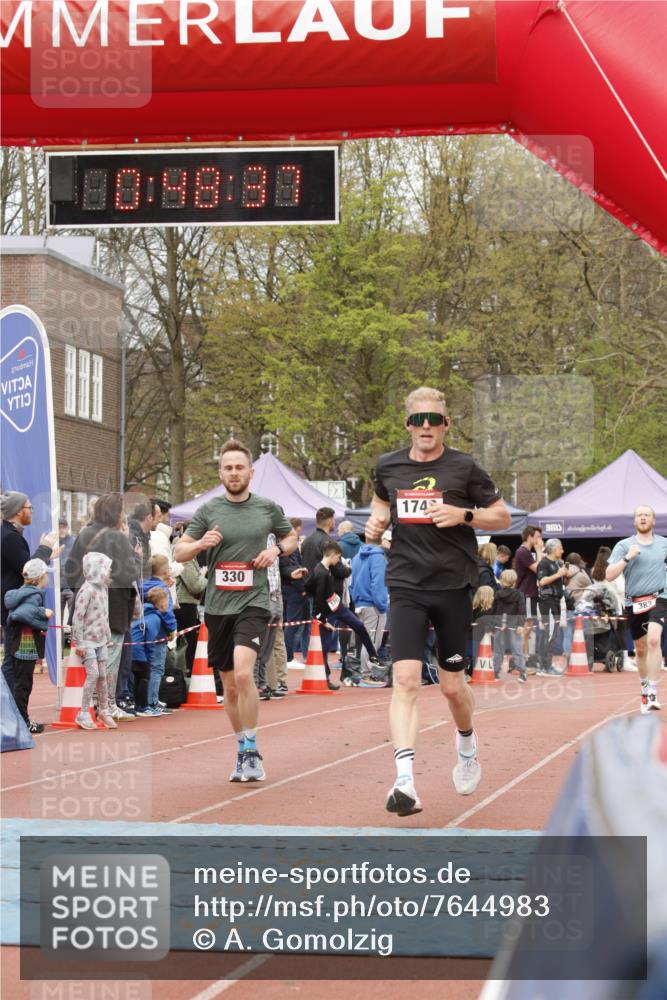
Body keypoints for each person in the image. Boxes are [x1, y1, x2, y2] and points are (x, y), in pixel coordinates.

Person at [365, 385, 511, 816]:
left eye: (434, 420)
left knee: (451, 686)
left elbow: (502, 516)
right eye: (418, 420)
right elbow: (379, 506)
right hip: (406, 583)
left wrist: (465, 515)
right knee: (406, 680)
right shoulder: (387, 465)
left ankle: (466, 742)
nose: (425, 427)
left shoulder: (464, 467)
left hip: (452, 585)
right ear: (408, 424)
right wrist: (375, 526)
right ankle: (405, 781)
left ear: (445, 424)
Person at [174, 439, 297, 783]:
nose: (233, 473)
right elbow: (180, 553)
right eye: (227, 468)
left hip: (254, 600)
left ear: (250, 472)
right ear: (221, 473)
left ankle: (254, 748)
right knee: (228, 686)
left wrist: (276, 552)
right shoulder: (209, 511)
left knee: (244, 674)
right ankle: (242, 748)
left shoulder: (267, 508)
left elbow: (290, 540)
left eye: (239, 467)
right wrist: (199, 544)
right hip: (217, 606)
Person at [65, 493, 140, 722]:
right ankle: (107, 704)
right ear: (117, 514)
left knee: (91, 659)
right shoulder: (118, 538)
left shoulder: (84, 534)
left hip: (87, 606)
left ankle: (91, 705)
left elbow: (70, 571)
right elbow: (129, 574)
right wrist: (135, 556)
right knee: (109, 659)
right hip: (113, 607)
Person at [607, 506, 667, 713]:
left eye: (647, 515)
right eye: (639, 515)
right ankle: (644, 690)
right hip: (635, 602)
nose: (643, 517)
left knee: (653, 640)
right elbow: (609, 575)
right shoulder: (624, 546)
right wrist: (628, 558)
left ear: (653, 520)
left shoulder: (664, 544)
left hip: (660, 598)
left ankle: (652, 691)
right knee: (641, 650)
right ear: (634, 521)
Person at [1, 491, 56, 695]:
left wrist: (47, 555)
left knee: (12, 663)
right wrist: (45, 548)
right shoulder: (10, 538)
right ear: (17, 511)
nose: (31, 511)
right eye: (29, 507)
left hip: (15, 607)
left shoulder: (10, 535)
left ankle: (12, 714)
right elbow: (27, 570)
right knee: (14, 666)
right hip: (16, 609)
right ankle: (14, 714)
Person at [309, 540, 381, 688]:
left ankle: (373, 655)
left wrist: (305, 589)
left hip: (337, 605)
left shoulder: (326, 568)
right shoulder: (322, 572)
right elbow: (317, 600)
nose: (339, 562)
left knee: (359, 625)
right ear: (334, 555)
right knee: (324, 645)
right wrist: (322, 620)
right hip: (327, 612)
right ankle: (325, 679)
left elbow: (309, 584)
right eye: (338, 558)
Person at [3, 558, 53, 734]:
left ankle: (19, 719)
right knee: (23, 686)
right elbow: (19, 615)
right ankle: (22, 722)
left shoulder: (22, 592)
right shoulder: (34, 594)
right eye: (46, 574)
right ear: (40, 577)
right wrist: (43, 613)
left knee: (19, 685)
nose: (48, 577)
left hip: (18, 643)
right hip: (26, 646)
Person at [70, 552, 117, 731]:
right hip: (88, 641)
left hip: (101, 640)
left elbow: (104, 615)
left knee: (104, 676)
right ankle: (83, 712)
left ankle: (104, 710)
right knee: (93, 674)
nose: (109, 571)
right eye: (107, 568)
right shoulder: (86, 590)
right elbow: (78, 616)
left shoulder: (103, 589)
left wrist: (108, 635)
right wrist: (79, 642)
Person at [130, 586, 176, 716]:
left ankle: (139, 704)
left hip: (134, 649)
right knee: (145, 677)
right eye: (167, 601)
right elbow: (150, 640)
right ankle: (145, 706)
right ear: (162, 603)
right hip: (140, 651)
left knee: (138, 677)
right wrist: (149, 658)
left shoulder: (145, 612)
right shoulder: (155, 618)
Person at [350, 539, 389, 678]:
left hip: (361, 603)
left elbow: (352, 582)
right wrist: (382, 605)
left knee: (367, 640)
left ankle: (365, 673)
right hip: (373, 605)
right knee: (372, 642)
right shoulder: (378, 558)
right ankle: (367, 674)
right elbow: (378, 583)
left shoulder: (356, 557)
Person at [280, 517, 310, 667]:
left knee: (289, 624)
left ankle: (288, 656)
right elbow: (292, 566)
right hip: (293, 590)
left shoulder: (283, 545)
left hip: (287, 589)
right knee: (292, 624)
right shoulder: (288, 547)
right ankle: (289, 657)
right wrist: (302, 589)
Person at [536, 538, 567, 675]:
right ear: (554, 549)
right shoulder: (544, 563)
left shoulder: (556, 563)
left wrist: (563, 574)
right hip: (547, 601)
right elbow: (542, 581)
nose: (562, 551)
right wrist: (558, 574)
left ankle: (546, 664)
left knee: (553, 634)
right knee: (549, 634)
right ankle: (544, 666)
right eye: (560, 548)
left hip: (555, 601)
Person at [492, 569, 527, 682]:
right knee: (517, 650)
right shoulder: (519, 595)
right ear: (514, 582)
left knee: (498, 650)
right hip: (514, 626)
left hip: (499, 625)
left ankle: (495, 672)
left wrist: (493, 625)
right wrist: (521, 625)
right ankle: (522, 673)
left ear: (502, 581)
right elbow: (522, 611)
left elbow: (494, 611)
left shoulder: (497, 594)